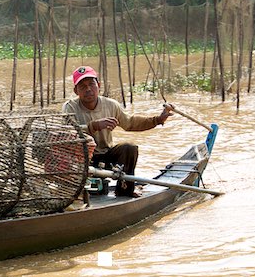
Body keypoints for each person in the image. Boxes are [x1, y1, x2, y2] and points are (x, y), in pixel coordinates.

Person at [62, 65, 172, 197]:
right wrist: (93, 126)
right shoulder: (70, 107)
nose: (88, 89)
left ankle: (125, 191)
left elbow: (130, 123)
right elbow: (65, 132)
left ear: (99, 85)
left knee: (129, 148)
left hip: (106, 154)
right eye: (82, 86)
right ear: (76, 91)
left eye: (91, 84)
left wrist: (157, 120)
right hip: (83, 159)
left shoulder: (110, 105)